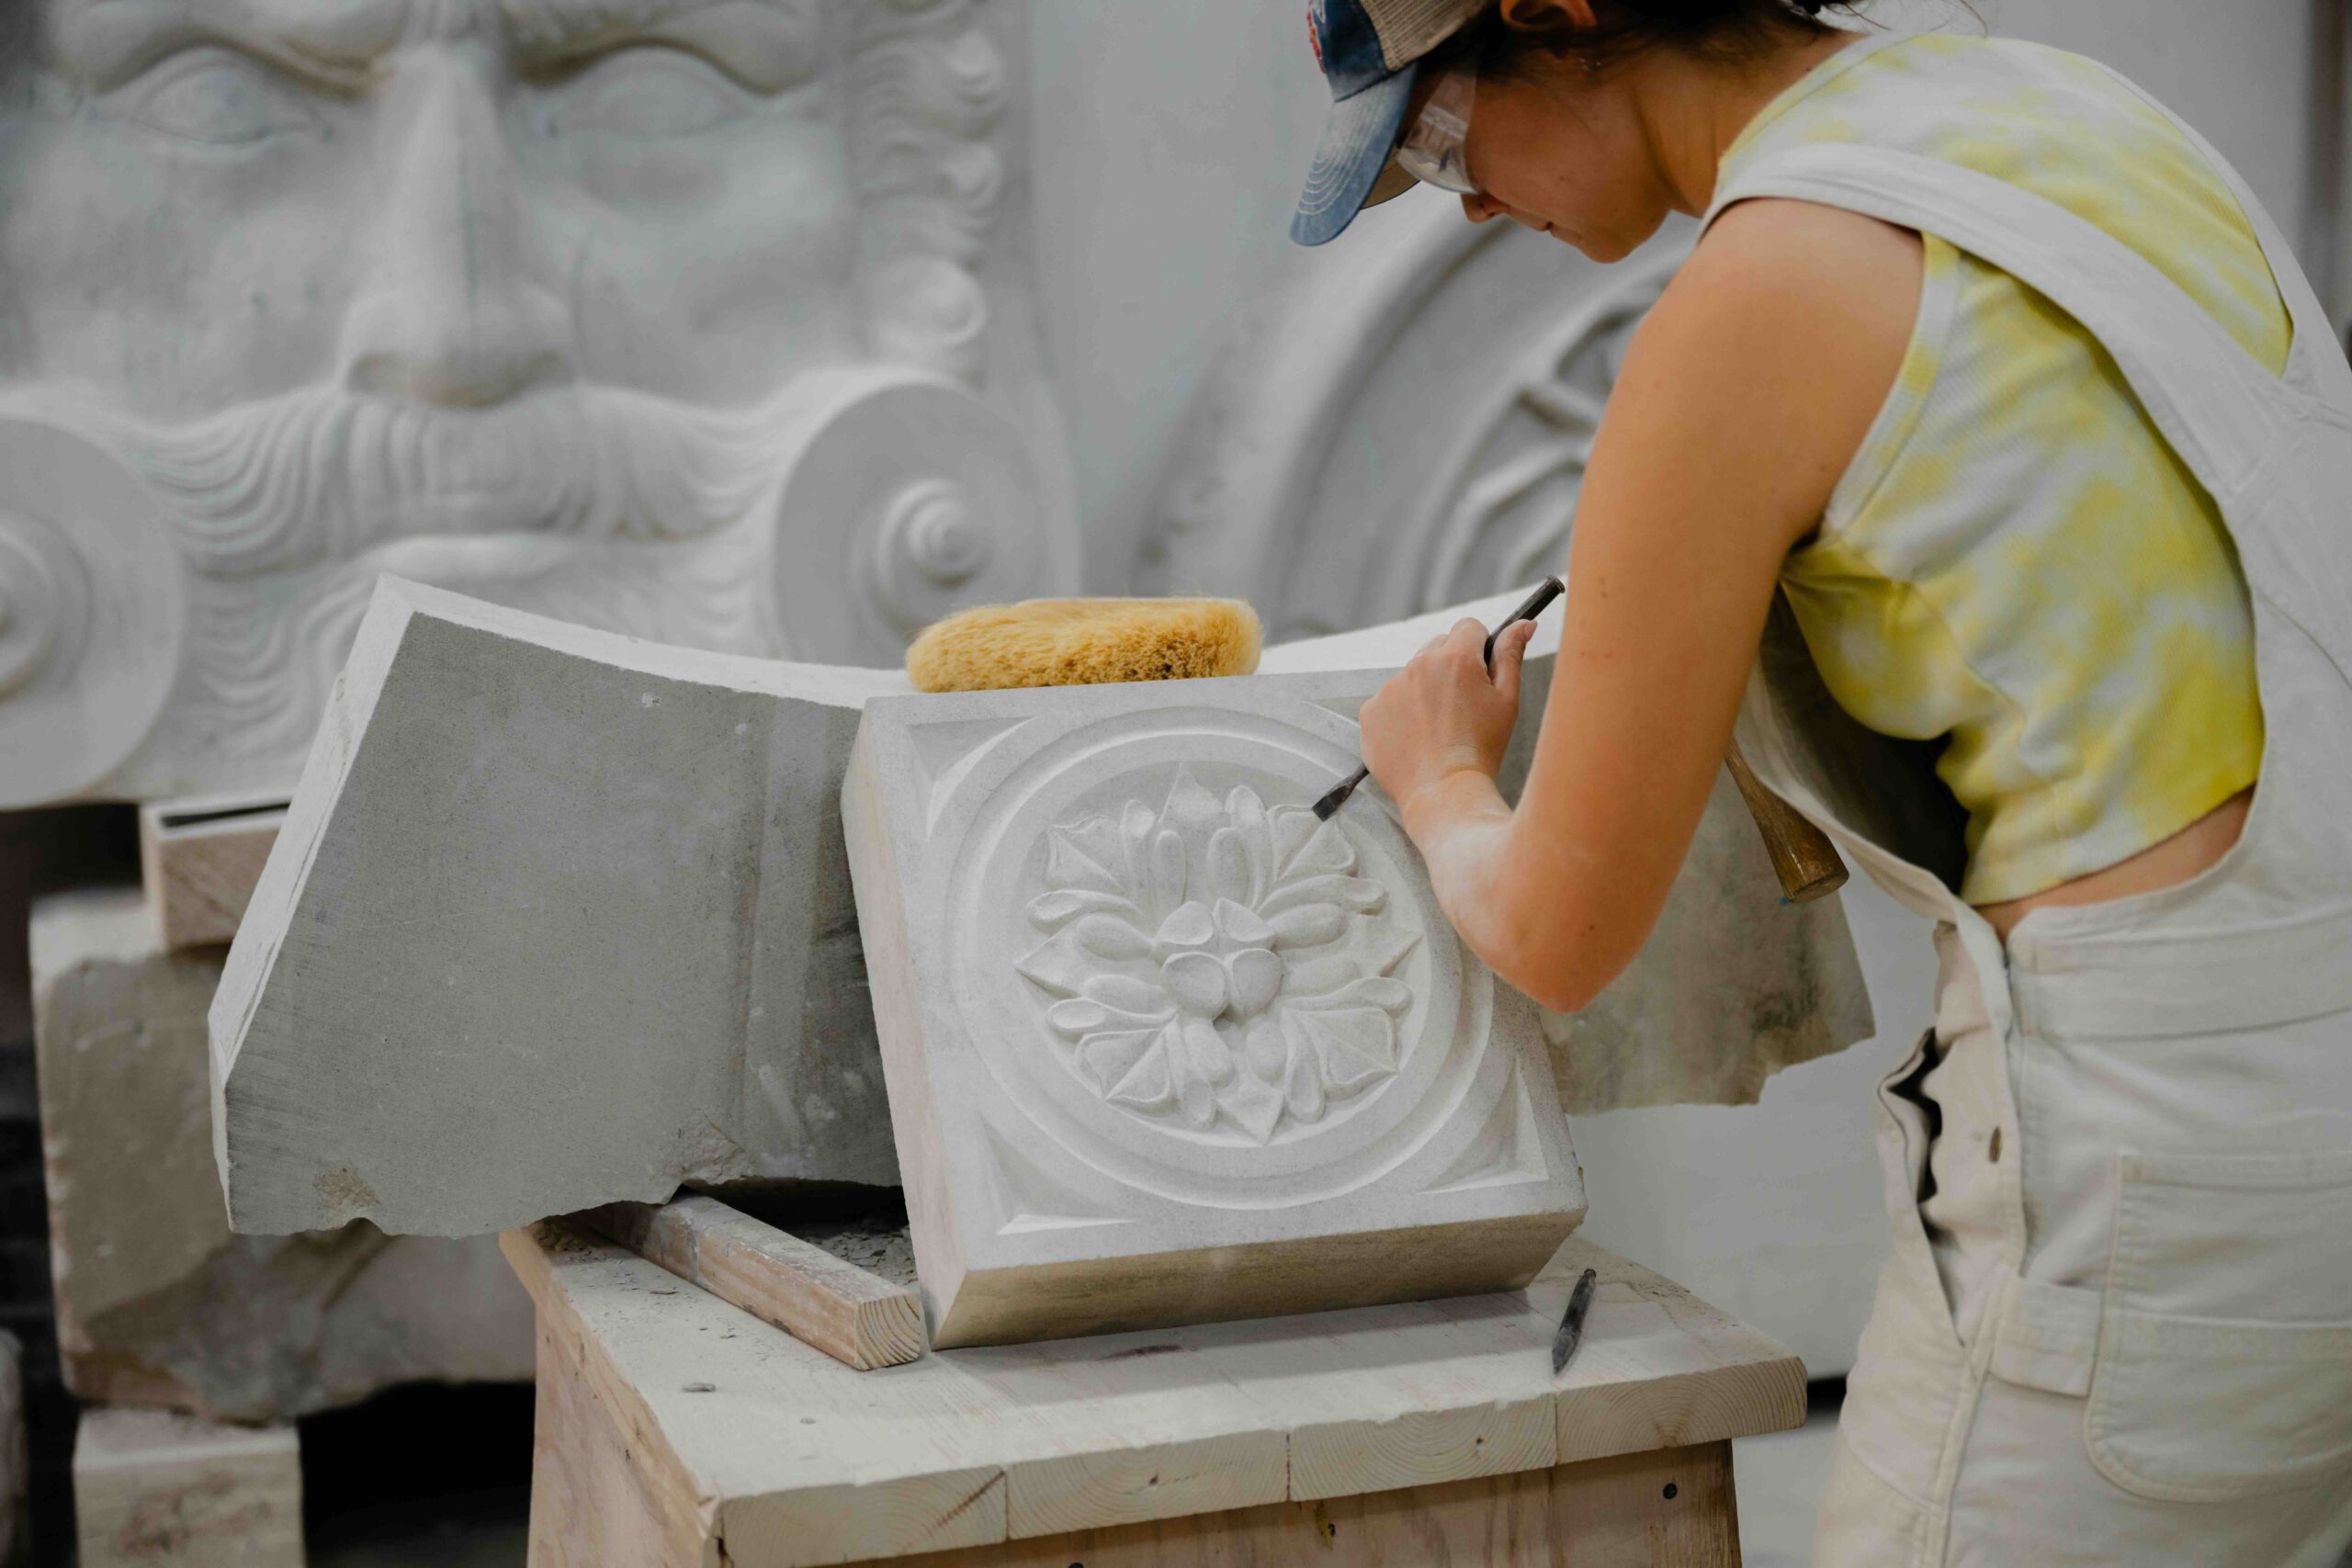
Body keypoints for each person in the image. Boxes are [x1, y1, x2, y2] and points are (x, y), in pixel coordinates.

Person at [1289, 0, 2352, 1561]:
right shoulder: (2061, 110)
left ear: (1563, 17)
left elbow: (1558, 929)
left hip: (2157, 1172)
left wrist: (1443, 775)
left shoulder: (1759, 296)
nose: (1465, 202)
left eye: (1438, 139)